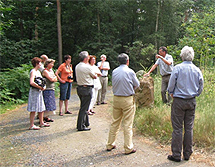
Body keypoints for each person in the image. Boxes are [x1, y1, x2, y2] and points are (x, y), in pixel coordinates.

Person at [167, 46, 204, 162]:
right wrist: (195, 94)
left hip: (178, 101)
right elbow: (201, 86)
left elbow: (171, 85)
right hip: (191, 101)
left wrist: (171, 93)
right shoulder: (197, 70)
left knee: (177, 128)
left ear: (182, 56)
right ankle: (187, 154)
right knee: (189, 128)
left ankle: (176, 155)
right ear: (192, 57)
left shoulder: (177, 68)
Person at [106, 53, 140, 155]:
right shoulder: (130, 72)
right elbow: (137, 84)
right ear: (127, 61)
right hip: (127, 99)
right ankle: (128, 147)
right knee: (127, 124)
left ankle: (110, 144)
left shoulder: (114, 71)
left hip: (116, 98)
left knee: (115, 122)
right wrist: (131, 89)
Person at [75, 51, 97, 131]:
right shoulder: (87, 67)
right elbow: (94, 76)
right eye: (88, 57)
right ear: (85, 58)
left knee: (84, 106)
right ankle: (80, 126)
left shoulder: (77, 66)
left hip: (80, 88)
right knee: (84, 108)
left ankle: (86, 122)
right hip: (86, 88)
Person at [27, 57, 50, 130]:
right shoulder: (33, 71)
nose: (41, 64)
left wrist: (44, 86)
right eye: (40, 63)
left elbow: (41, 81)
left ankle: (41, 122)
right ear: (37, 64)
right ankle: (31, 125)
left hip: (39, 92)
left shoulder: (38, 72)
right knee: (33, 108)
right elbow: (31, 82)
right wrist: (39, 87)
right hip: (34, 92)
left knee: (41, 107)